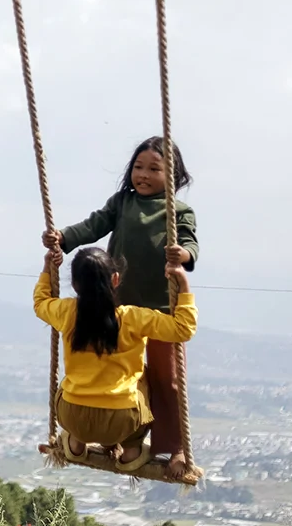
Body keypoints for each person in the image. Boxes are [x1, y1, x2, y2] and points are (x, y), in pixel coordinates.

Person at [41, 136, 198, 472]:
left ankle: (175, 448)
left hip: (160, 309)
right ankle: (113, 436)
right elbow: (94, 225)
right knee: (108, 373)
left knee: (166, 379)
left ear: (174, 175)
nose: (143, 174)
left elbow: (190, 246)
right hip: (116, 308)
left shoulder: (179, 213)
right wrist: (64, 238)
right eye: (138, 167)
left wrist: (182, 255)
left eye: (154, 169)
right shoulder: (122, 203)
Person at [32, 247, 197, 473]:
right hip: (122, 420)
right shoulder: (133, 318)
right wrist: (183, 286)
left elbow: (41, 302)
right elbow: (183, 329)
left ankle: (76, 444)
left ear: (75, 285)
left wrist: (47, 269)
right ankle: (131, 451)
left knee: (68, 385)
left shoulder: (66, 312)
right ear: (116, 279)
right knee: (144, 376)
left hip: (73, 415)